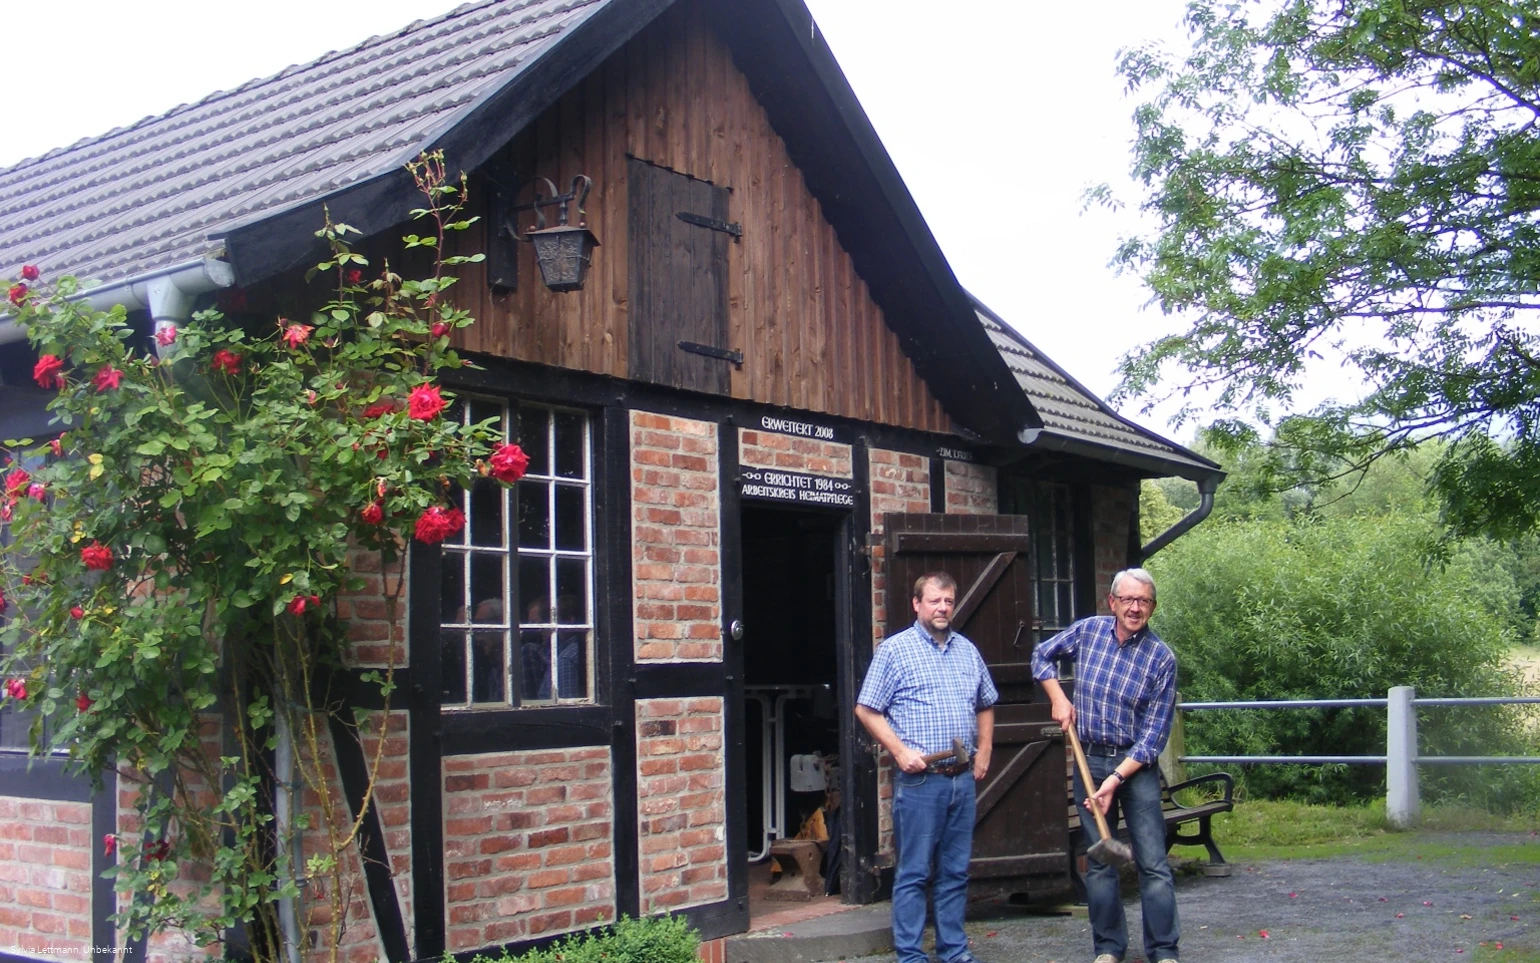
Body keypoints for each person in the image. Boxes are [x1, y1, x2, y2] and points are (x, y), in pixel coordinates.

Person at [1031, 568, 1179, 963]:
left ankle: (1164, 952)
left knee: (1153, 863)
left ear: (1152, 607)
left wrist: (1116, 778)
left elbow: (1153, 737)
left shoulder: (1162, 659)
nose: (1135, 608)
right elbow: (1040, 656)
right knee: (1100, 861)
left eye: (1143, 601)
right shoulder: (1088, 632)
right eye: (1128, 599)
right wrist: (1058, 698)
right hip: (1089, 761)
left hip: (1136, 768)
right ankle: (1109, 948)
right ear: (1112, 602)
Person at [855, 572, 998, 963]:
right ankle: (911, 956)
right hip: (921, 783)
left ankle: (954, 951)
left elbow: (986, 703)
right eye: (934, 601)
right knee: (914, 873)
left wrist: (984, 750)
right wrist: (900, 752)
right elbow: (866, 709)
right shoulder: (895, 651)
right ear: (917, 604)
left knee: (955, 872)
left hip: (962, 779)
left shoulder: (967, 651)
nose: (943, 608)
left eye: (948, 601)